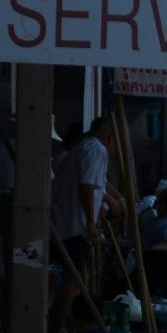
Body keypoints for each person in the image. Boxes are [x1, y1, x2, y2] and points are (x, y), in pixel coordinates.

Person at [53, 116, 124, 304]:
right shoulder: (97, 150)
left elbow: (100, 182)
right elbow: (87, 186)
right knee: (72, 280)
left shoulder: (85, 148)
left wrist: (118, 198)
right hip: (76, 225)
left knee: (75, 279)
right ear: (109, 137)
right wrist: (92, 223)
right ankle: (58, 327)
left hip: (70, 223)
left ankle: (65, 323)